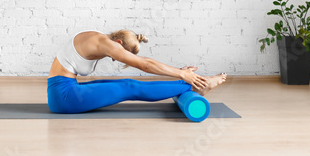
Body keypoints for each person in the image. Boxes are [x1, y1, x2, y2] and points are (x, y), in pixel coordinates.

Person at [47, 29, 227, 114]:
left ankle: (189, 85)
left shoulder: (97, 37)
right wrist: (182, 74)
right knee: (129, 87)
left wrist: (178, 71)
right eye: (123, 54)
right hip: (64, 97)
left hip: (64, 91)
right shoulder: (105, 43)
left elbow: (143, 63)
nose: (117, 58)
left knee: (124, 83)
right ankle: (195, 85)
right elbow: (144, 64)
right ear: (118, 43)